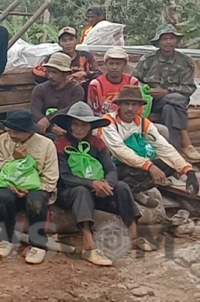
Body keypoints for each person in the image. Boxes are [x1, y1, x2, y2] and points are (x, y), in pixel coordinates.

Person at [52, 102, 156, 267]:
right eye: (76, 124)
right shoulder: (60, 144)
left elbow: (110, 169)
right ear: (69, 126)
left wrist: (107, 184)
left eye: (84, 125)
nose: (79, 129)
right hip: (70, 192)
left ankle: (134, 236)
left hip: (99, 188)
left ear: (90, 126)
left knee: (121, 186)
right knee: (81, 191)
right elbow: (64, 177)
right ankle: (89, 246)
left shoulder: (97, 142)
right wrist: (92, 184)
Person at [98, 86, 198, 201]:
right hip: (110, 167)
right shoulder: (108, 121)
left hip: (135, 164)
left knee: (169, 164)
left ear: (140, 107)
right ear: (119, 105)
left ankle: (134, 192)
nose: (130, 109)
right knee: (138, 170)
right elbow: (120, 151)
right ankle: (118, 195)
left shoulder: (143, 123)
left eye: (134, 104)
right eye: (126, 104)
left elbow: (164, 147)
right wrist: (150, 167)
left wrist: (188, 170)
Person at [0, 109, 58, 265]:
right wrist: (12, 159)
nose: (12, 135)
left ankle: (38, 243)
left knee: (36, 200)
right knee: (2, 196)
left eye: (16, 132)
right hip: (9, 186)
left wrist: (32, 188)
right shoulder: (3, 141)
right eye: (9, 130)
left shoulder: (46, 145)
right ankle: (7, 238)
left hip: (36, 188)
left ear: (28, 131)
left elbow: (51, 177)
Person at [133, 24, 200, 161]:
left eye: (171, 38)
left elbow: (189, 88)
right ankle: (185, 141)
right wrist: (148, 91)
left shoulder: (185, 61)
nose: (168, 42)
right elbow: (134, 81)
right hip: (151, 102)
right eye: (164, 39)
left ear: (176, 41)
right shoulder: (147, 60)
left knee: (172, 105)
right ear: (158, 42)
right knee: (176, 101)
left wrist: (167, 91)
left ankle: (172, 149)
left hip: (175, 101)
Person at [30, 53, 85, 139]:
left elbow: (72, 109)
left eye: (55, 72)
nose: (50, 76)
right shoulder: (40, 89)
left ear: (66, 73)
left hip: (70, 129)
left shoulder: (76, 90)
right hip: (45, 130)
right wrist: (51, 127)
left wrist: (49, 119)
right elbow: (35, 112)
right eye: (48, 71)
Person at [32, 27, 100, 92]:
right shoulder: (54, 57)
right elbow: (37, 70)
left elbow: (98, 73)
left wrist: (84, 73)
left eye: (71, 39)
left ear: (77, 41)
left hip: (82, 89)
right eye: (64, 40)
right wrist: (61, 77)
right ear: (59, 44)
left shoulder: (86, 56)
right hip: (59, 90)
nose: (68, 43)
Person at [87, 47, 139, 116]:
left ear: (124, 65)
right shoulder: (96, 84)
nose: (114, 67)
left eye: (118, 64)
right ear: (106, 64)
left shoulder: (132, 82)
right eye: (111, 63)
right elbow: (93, 111)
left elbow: (137, 107)